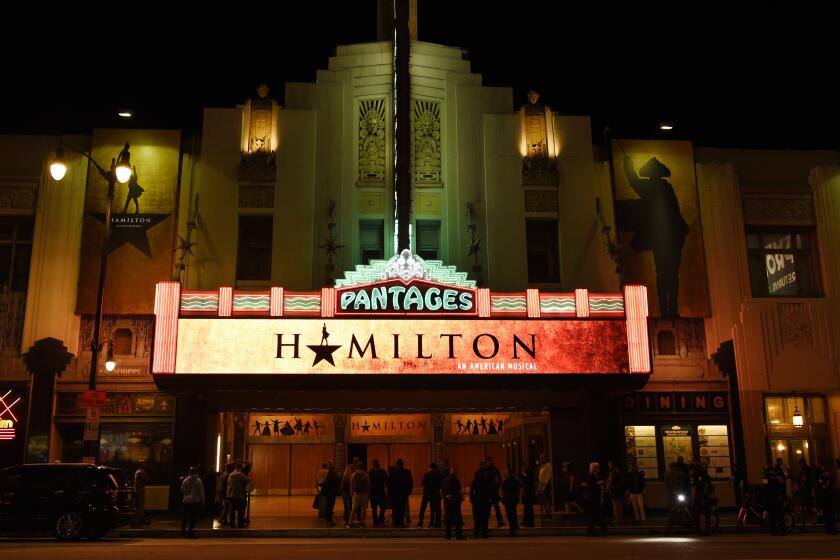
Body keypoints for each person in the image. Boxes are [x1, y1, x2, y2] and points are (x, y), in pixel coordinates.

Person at [620, 155, 689, 318]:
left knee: (664, 274)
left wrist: (628, 166)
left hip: (665, 238)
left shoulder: (653, 187)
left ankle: (667, 309)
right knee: (670, 274)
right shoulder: (666, 187)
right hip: (674, 237)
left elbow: (634, 182)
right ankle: (669, 309)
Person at [470, 461, 495, 539]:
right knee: (485, 518)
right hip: (486, 500)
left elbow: (472, 488)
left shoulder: (477, 476)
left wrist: (472, 500)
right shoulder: (487, 477)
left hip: (477, 500)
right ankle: (484, 533)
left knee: (477, 518)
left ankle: (476, 534)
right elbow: (491, 489)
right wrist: (492, 500)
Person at [582, 462, 607, 536]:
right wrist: (598, 484)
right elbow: (589, 487)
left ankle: (590, 531)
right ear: (595, 469)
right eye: (598, 467)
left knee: (593, 516)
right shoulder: (591, 476)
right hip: (592, 498)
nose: (599, 469)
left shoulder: (597, 476)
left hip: (596, 497)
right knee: (598, 514)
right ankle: (603, 530)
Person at [387, 459, 413, 528]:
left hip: (394, 494)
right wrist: (408, 491)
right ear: (402, 464)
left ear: (397, 464)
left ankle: (395, 522)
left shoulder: (393, 472)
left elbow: (388, 483)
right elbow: (410, 483)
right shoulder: (407, 472)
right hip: (403, 494)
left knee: (395, 508)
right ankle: (401, 522)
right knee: (401, 508)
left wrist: (390, 492)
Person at [441, 467, 465, 540]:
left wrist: (445, 498)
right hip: (454, 500)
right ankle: (458, 535)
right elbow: (458, 490)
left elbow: (442, 490)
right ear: (453, 472)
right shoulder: (455, 479)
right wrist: (462, 497)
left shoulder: (444, 479)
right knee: (457, 517)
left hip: (447, 500)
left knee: (448, 517)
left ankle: (448, 535)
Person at [181, 466, 205, 538]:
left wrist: (186, 496)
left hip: (186, 501)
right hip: (195, 501)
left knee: (185, 516)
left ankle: (183, 532)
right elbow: (201, 492)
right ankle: (190, 532)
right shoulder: (199, 481)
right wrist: (203, 501)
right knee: (193, 518)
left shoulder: (185, 481)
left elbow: (182, 491)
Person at [690, 462, 713, 536]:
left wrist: (693, 497)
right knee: (705, 512)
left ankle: (703, 530)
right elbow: (708, 483)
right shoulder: (704, 472)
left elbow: (693, 486)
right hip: (705, 495)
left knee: (700, 513)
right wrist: (706, 494)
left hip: (699, 496)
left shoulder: (693, 474)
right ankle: (707, 528)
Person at [814, 459, 837, 534]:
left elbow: (824, 484)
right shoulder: (821, 474)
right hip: (826, 496)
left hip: (826, 496)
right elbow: (823, 484)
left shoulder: (823, 474)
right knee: (828, 513)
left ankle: (830, 528)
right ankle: (830, 528)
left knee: (828, 513)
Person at [418, 462, 443, 528]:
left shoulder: (427, 474)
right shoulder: (439, 475)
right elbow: (441, 485)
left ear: (430, 468)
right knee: (435, 509)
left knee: (423, 508)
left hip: (426, 493)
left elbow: (423, 484)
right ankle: (435, 522)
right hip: (435, 494)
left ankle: (420, 522)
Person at [227, 462, 251, 528]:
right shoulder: (240, 475)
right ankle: (240, 523)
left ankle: (232, 524)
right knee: (241, 510)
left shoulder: (231, 474)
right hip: (239, 496)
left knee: (232, 511)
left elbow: (228, 486)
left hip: (231, 496)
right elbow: (249, 480)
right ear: (240, 468)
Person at [765, 465, 787, 535]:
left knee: (774, 515)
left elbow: (766, 487)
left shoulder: (768, 478)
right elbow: (781, 485)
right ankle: (779, 530)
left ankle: (775, 530)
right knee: (777, 515)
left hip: (773, 499)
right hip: (775, 498)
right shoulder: (774, 478)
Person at [501, 469, 523, 536]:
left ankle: (512, 529)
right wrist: (519, 498)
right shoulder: (516, 481)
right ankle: (515, 525)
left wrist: (502, 498)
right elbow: (520, 488)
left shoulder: (506, 481)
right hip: (514, 499)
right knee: (513, 512)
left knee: (510, 515)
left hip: (508, 499)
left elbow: (503, 491)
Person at [485, 456, 505, 527]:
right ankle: (485, 523)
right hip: (487, 491)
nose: (492, 462)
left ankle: (500, 521)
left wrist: (497, 486)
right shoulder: (485, 469)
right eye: (491, 461)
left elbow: (499, 478)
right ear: (487, 461)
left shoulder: (494, 469)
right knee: (486, 508)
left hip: (493, 490)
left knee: (497, 506)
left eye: (492, 461)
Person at [350, 461, 370, 528]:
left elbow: (351, 485)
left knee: (354, 509)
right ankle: (362, 523)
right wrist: (368, 493)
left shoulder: (353, 474)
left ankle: (350, 522)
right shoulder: (365, 474)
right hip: (364, 494)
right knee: (363, 509)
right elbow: (368, 485)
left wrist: (351, 493)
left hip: (356, 493)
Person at [368, 459, 388, 528]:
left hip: (373, 493)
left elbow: (368, 483)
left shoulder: (370, 472)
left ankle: (376, 521)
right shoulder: (382, 471)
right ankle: (380, 520)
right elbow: (387, 481)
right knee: (383, 507)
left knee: (374, 509)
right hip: (381, 493)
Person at [606, 460, 626, 525]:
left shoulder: (612, 472)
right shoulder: (619, 472)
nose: (608, 466)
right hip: (619, 490)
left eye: (609, 464)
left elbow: (610, 482)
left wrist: (607, 488)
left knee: (615, 505)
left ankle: (617, 518)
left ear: (612, 465)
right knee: (620, 504)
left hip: (614, 490)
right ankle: (620, 518)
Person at [341, 458, 358, 527]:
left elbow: (343, 479)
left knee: (346, 507)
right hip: (348, 492)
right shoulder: (354, 471)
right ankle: (350, 522)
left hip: (344, 491)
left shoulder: (347, 470)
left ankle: (346, 521)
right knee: (350, 507)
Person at [132, 460, 149, 528]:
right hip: (140, 491)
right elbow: (142, 481)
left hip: (139, 490)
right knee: (140, 508)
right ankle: (138, 524)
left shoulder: (138, 472)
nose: (146, 464)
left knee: (139, 508)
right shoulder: (140, 472)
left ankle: (138, 523)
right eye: (144, 463)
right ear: (141, 464)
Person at [537, 454, 553, 519]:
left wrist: (545, 484)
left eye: (542, 458)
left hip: (546, 484)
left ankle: (548, 513)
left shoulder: (548, 465)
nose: (541, 460)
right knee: (542, 499)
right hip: (541, 484)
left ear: (545, 458)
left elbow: (548, 475)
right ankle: (545, 511)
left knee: (547, 499)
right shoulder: (542, 466)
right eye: (540, 458)